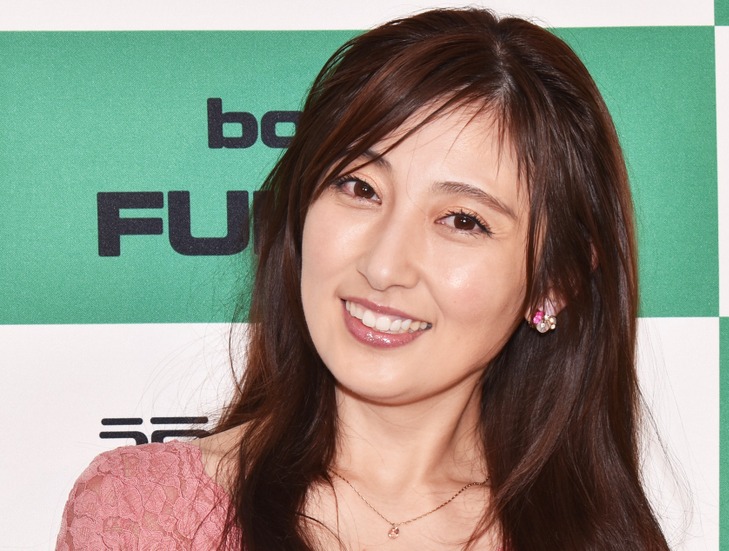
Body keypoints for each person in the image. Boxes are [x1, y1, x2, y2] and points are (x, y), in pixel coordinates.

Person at [57, 8, 669, 550]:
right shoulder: (146, 518)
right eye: (360, 187)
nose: (382, 266)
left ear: (554, 280)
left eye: (462, 220)